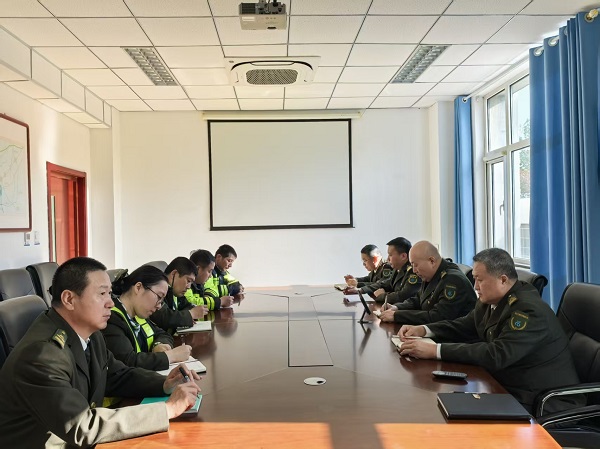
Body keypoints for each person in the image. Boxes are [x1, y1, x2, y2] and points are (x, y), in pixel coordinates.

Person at [0, 257, 201, 449]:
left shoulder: (90, 334)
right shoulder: (40, 356)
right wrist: (167, 409)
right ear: (69, 299)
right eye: (102, 294)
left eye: (110, 293)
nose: (111, 302)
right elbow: (82, 425)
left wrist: (164, 384)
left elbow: (116, 375)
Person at [398, 248, 582, 413]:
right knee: (440, 402)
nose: (475, 287)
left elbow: (497, 354)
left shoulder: (528, 311)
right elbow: (465, 325)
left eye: (479, 280)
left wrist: (435, 350)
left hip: (540, 400)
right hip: (506, 384)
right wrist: (424, 330)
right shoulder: (491, 300)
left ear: (503, 280)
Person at [102, 265, 192, 370]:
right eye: (159, 297)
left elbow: (163, 334)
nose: (159, 306)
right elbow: (128, 362)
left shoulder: (137, 315)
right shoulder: (111, 319)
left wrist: (158, 345)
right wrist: (171, 356)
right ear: (138, 288)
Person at [379, 240, 475, 324]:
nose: (414, 270)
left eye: (416, 265)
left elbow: (438, 317)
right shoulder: (431, 274)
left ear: (432, 261)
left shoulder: (452, 280)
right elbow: (418, 299)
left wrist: (397, 316)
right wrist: (397, 307)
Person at [345, 237, 421, 304]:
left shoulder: (413, 272)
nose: (388, 259)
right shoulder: (397, 269)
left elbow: (403, 296)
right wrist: (361, 290)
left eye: (390, 255)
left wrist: (382, 296)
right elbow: (383, 284)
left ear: (403, 256)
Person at [149, 257, 208, 334]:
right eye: (188, 281)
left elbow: (187, 305)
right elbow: (162, 317)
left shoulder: (175, 291)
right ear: (174, 274)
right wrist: (191, 314)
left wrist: (186, 316)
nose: (189, 287)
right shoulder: (156, 289)